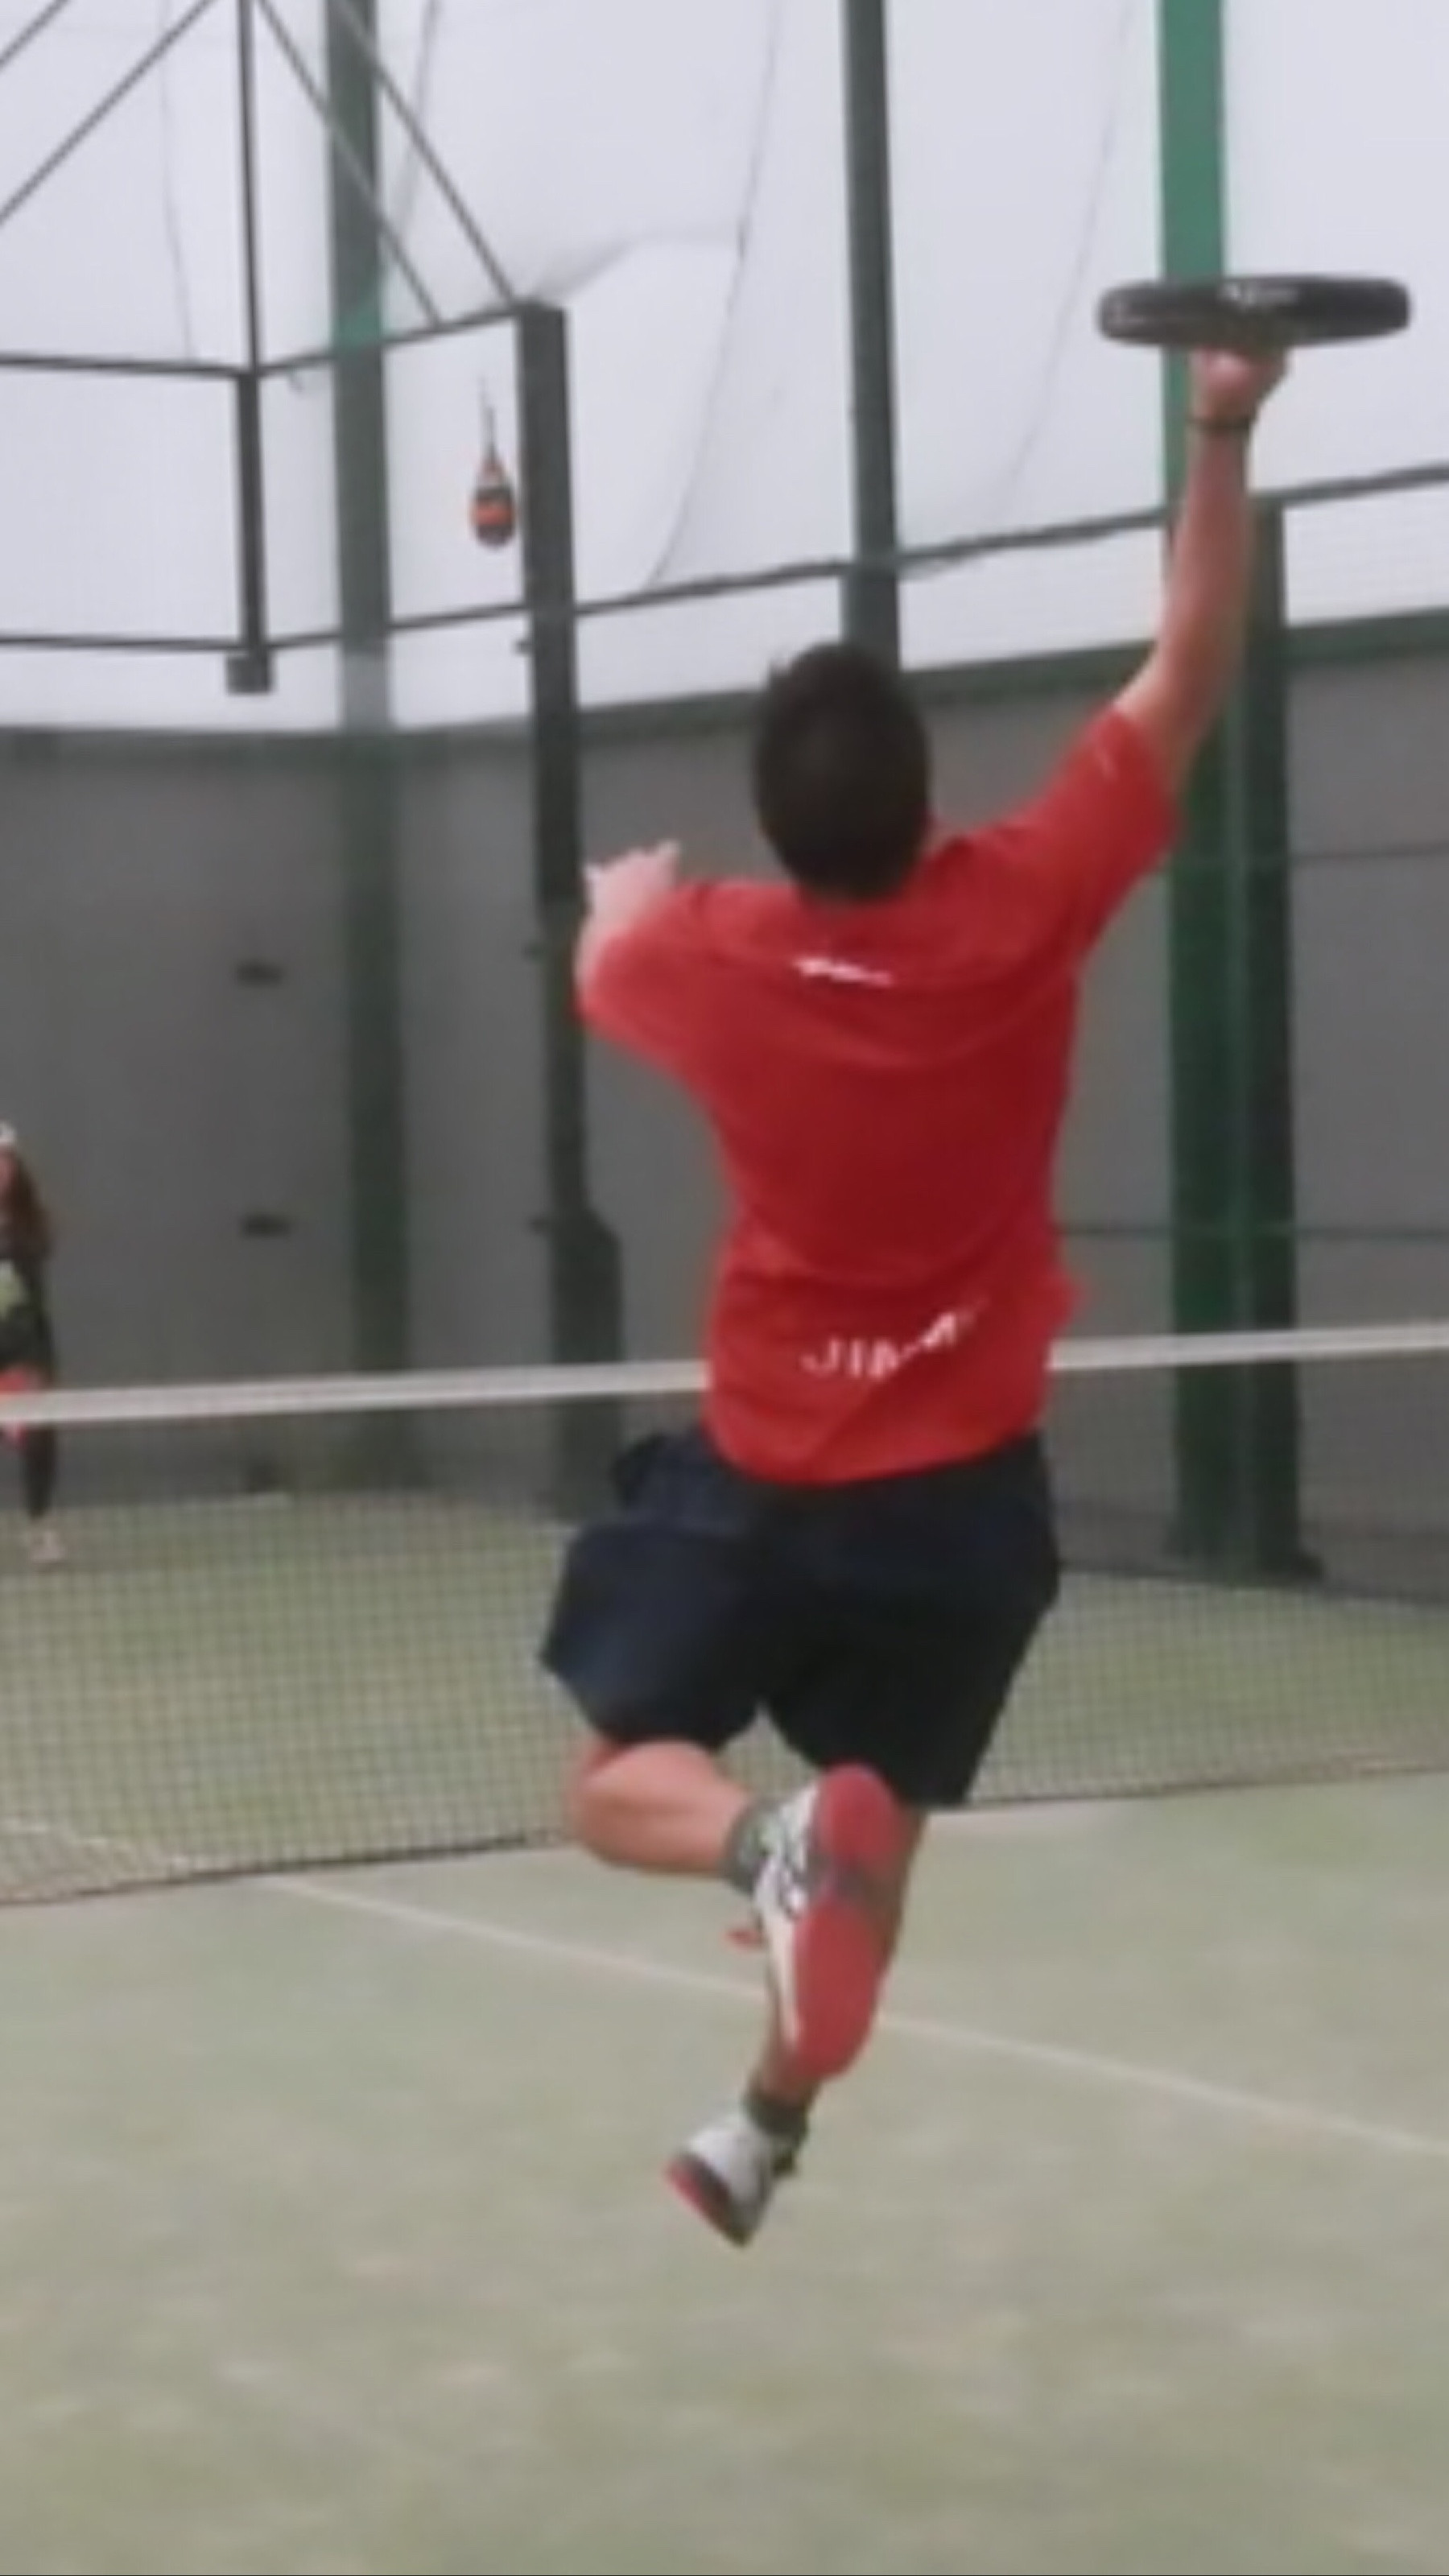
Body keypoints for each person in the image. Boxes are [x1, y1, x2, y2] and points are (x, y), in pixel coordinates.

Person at [542, 347, 1287, 2247]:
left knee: (618, 1791)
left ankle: (759, 1846)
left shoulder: (704, 956)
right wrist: (1220, 420)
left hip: (763, 1480)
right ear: (926, 794)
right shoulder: (1024, 900)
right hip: (962, 1510)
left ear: (774, 824)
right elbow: (1192, 662)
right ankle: (764, 2124)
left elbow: (607, 952)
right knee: (874, 1856)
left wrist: (631, 895)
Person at [0, 1124, 64, 1568]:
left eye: (5, 1160)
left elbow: (28, 1260)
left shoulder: (30, 1225)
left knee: (39, 1436)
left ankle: (40, 1527)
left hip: (24, 1348)